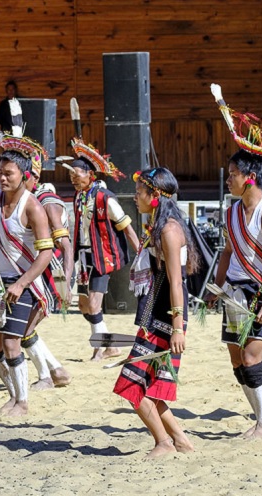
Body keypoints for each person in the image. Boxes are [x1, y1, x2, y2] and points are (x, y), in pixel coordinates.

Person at [114, 167, 197, 459]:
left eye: (139, 192)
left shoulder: (169, 230)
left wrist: (177, 327)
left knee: (133, 383)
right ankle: (181, 441)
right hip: (157, 313)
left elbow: (176, 281)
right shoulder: (161, 226)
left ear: (155, 195)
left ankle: (163, 442)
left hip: (166, 316)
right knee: (146, 383)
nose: (135, 197)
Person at [212, 149, 262, 439]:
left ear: (251, 177)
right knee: (236, 359)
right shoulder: (232, 211)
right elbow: (228, 253)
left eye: (234, 174)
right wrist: (218, 287)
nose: (229, 179)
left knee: (251, 358)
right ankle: (260, 418)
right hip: (234, 291)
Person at [0, 142, 55, 418]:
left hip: (24, 282)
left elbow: (46, 252)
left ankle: (23, 402)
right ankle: (12, 395)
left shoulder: (33, 207)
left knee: (11, 343)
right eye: (0, 172)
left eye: (10, 173)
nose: (3, 178)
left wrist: (21, 284)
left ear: (24, 175)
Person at [63, 138, 140, 361]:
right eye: (71, 177)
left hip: (100, 256)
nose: (74, 181)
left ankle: (99, 348)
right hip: (84, 256)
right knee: (85, 306)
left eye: (77, 176)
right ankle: (111, 346)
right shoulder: (79, 197)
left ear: (90, 175)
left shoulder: (105, 198)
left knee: (95, 304)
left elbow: (126, 227)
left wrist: (140, 255)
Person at [26, 157, 72, 390]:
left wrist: (65, 283)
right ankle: (55, 370)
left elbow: (65, 245)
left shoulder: (47, 203)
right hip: (35, 271)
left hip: (49, 273)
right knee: (23, 327)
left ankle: (49, 374)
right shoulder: (29, 200)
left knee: (25, 328)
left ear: (33, 177)